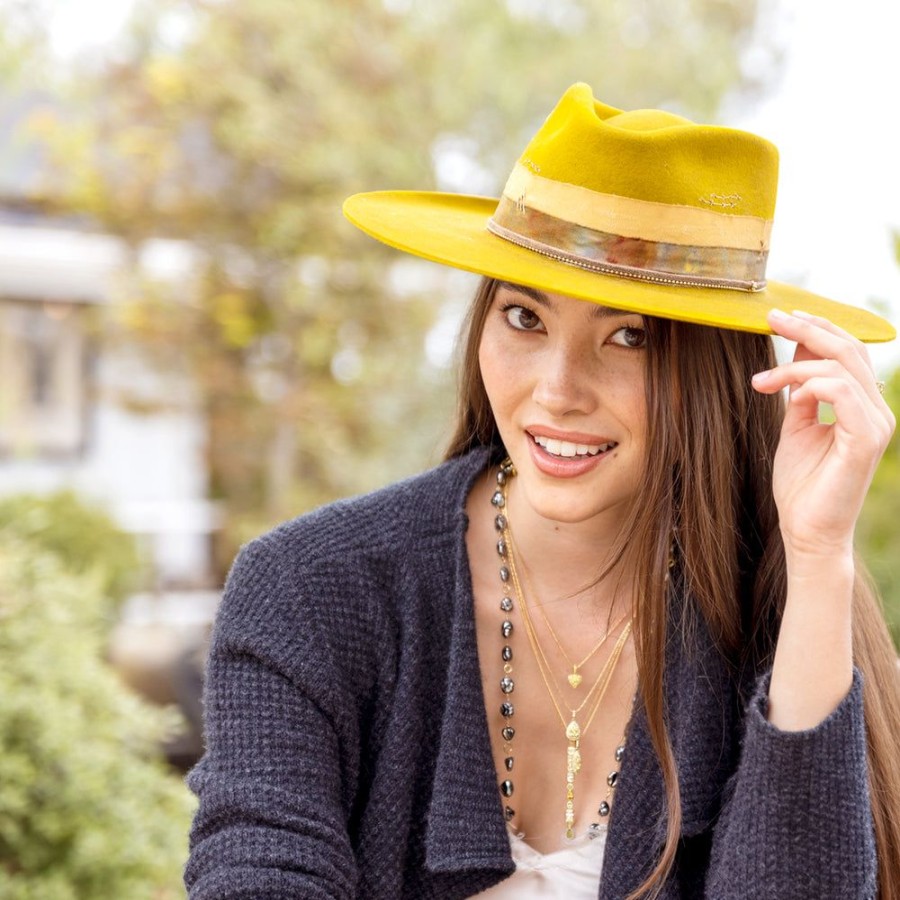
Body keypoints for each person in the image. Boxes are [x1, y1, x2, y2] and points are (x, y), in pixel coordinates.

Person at [184, 83, 900, 899]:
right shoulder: (308, 589)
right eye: (526, 317)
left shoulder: (776, 603)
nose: (558, 390)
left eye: (627, 337)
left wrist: (818, 559)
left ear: (712, 379)